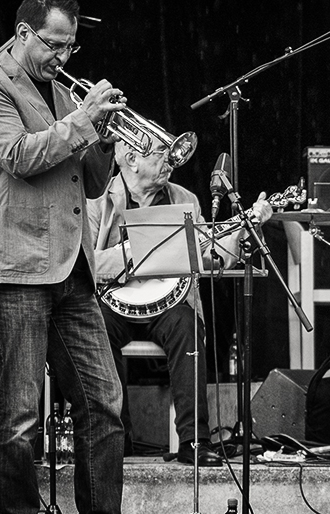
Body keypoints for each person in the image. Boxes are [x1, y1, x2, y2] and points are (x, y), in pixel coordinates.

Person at [0, 0, 162, 514]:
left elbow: (91, 183)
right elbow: (23, 157)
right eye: (54, 45)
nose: (64, 59)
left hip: (70, 268)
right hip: (15, 266)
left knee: (104, 398)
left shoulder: (57, 91)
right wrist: (82, 119)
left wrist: (105, 138)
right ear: (24, 33)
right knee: (21, 408)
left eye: (71, 47)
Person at [89, 140, 272, 465]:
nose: (171, 159)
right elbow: (85, 263)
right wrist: (137, 253)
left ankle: (194, 441)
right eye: (160, 153)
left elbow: (211, 258)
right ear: (131, 159)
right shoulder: (97, 198)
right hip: (113, 303)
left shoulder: (184, 199)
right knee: (96, 327)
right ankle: (118, 440)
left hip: (170, 304)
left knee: (188, 324)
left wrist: (247, 229)